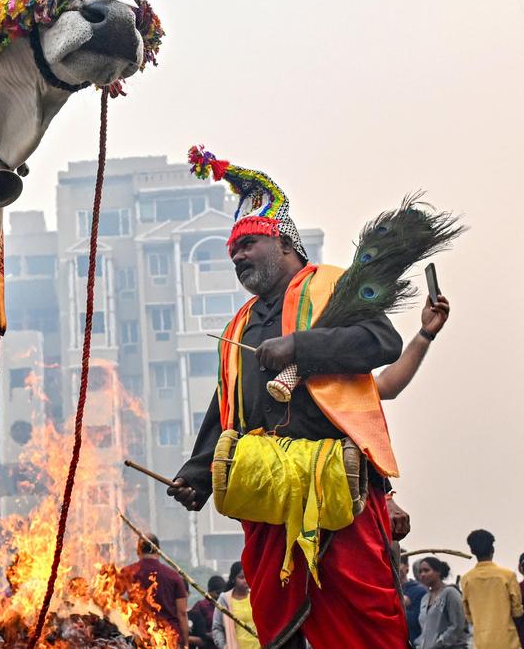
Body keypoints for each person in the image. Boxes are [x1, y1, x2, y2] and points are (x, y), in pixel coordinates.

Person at [169, 148, 410, 648]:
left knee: (361, 616)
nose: (237, 257)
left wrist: (300, 346)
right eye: (233, 251)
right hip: (263, 485)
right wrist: (197, 474)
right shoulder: (239, 323)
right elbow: (226, 406)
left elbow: (383, 342)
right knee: (275, 619)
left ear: (282, 242)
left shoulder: (333, 286)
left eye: (248, 244)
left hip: (337, 484)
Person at [460, 529, 523, 649]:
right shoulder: (507, 576)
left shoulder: (466, 579)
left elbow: (468, 614)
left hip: (481, 643)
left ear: (472, 551)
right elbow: (517, 611)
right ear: (492, 549)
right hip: (508, 642)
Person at [124, 535, 188, 645]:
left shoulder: (127, 573)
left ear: (138, 550)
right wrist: (186, 643)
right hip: (170, 638)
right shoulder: (173, 576)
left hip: (140, 638)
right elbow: (182, 613)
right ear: (158, 550)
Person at [415, 557, 467, 649]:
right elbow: (425, 630)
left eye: (426, 570)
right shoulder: (425, 599)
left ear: (438, 572)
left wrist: (439, 643)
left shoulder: (450, 593)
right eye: (420, 571)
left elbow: (457, 625)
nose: (422, 574)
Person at [210, 563, 259, 649]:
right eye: (241, 577)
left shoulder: (255, 595)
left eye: (247, 576)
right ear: (233, 579)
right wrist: (224, 646)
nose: (245, 580)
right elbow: (217, 628)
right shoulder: (225, 599)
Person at [188, 575, 225, 649]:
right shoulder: (201, 606)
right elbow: (192, 629)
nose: (219, 596)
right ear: (209, 592)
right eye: (217, 593)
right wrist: (208, 635)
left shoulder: (226, 606)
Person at [402, 556, 428, 646]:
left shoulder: (420, 591)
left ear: (407, 567)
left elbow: (419, 621)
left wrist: (399, 604)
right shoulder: (386, 589)